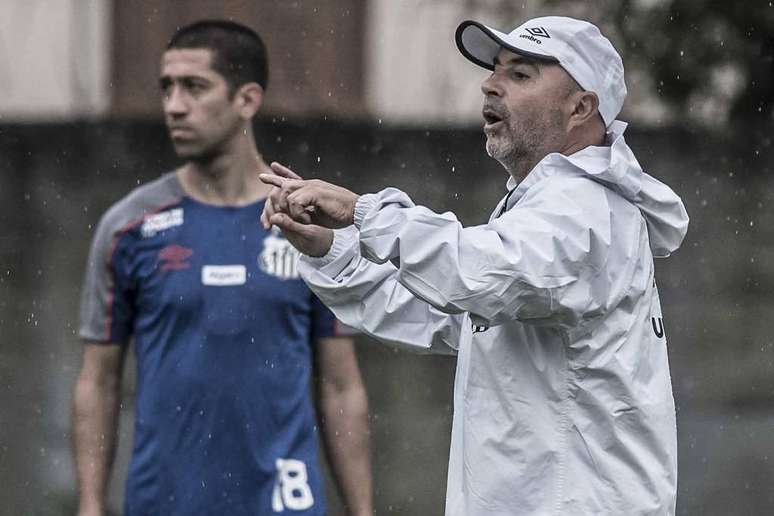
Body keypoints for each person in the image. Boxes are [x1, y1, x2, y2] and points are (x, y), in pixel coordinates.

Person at [258, 16, 689, 516]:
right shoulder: (549, 210)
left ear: (581, 107)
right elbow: (440, 312)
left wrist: (362, 212)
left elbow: (474, 274)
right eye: (496, 70)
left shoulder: (587, 209)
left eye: (521, 74)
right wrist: (329, 250)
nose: (489, 83)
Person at [72, 20, 372, 516]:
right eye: (166, 87)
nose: (173, 105)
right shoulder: (127, 228)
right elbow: (97, 381)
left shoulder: (305, 225)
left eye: (194, 87)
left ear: (247, 100)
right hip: (163, 501)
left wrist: (361, 510)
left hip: (285, 501)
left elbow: (341, 384)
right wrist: (89, 504)